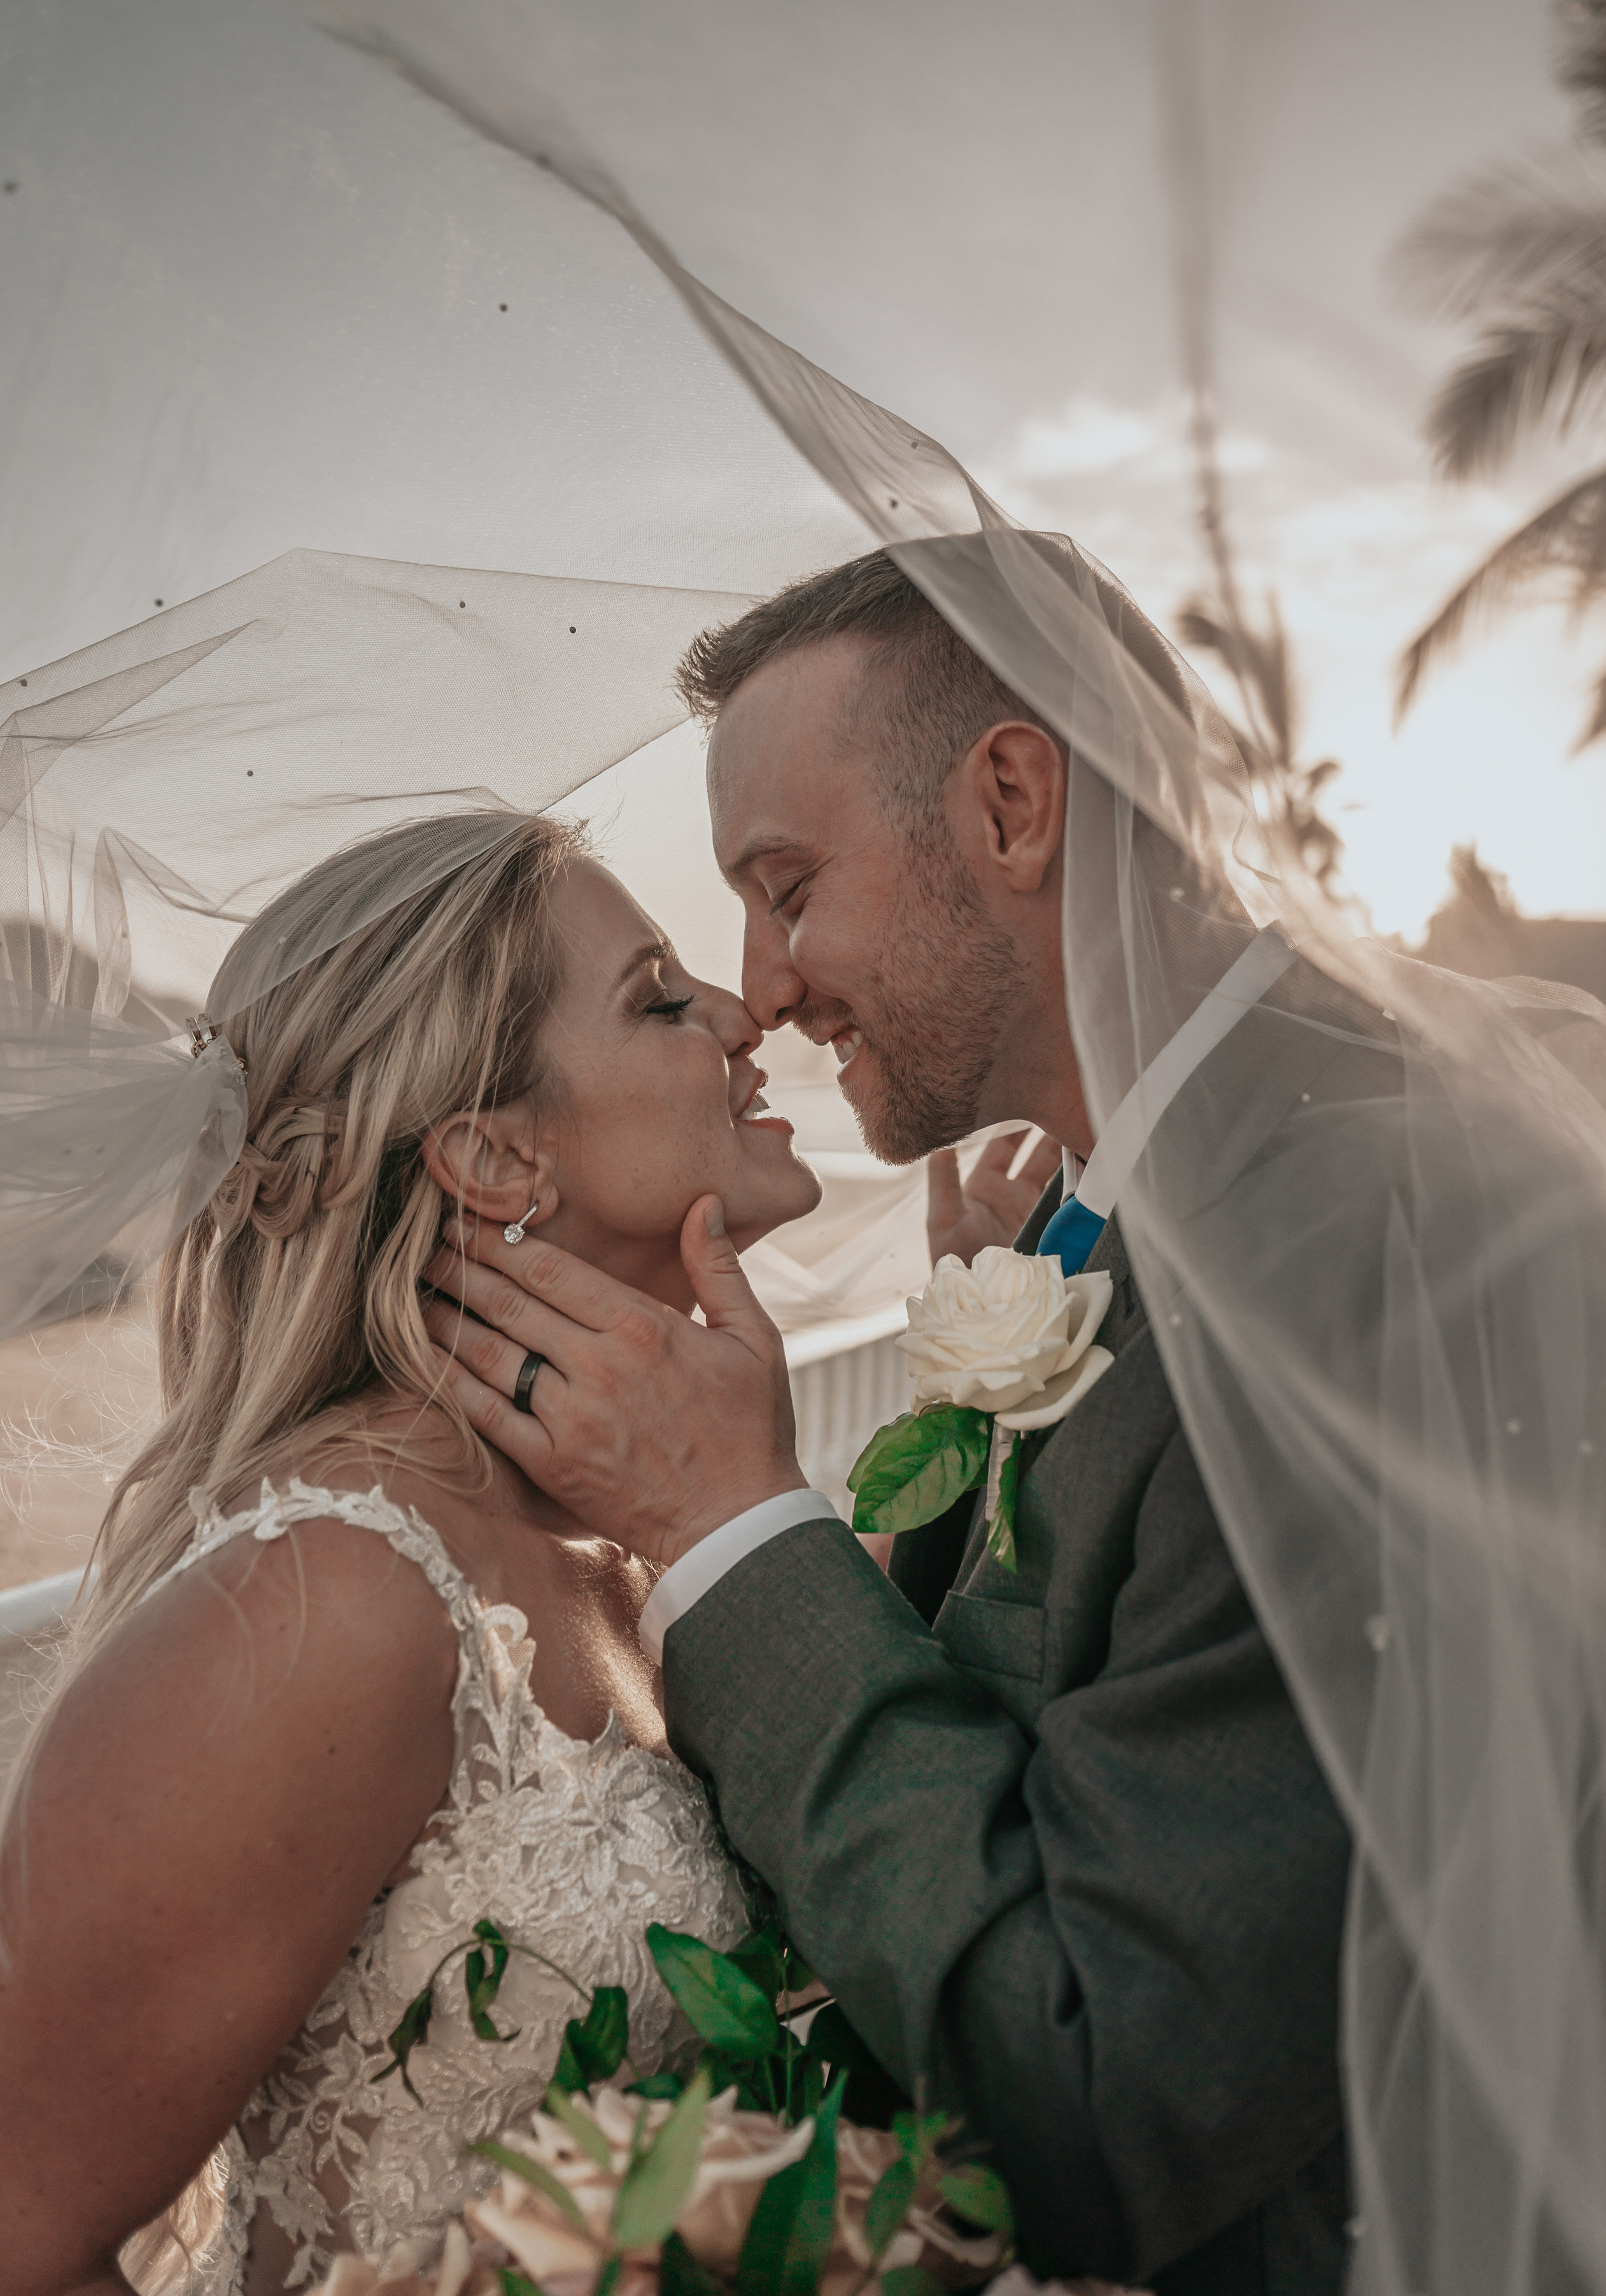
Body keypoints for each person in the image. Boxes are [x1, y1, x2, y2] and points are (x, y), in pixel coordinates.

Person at [425, 548, 1369, 2293]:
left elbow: (1106, 2085)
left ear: (1013, 802)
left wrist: (733, 1523)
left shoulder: (1334, 1261)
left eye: (784, 887)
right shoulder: (1144, 1207)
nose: (758, 988)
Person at [0, 808, 824, 2296]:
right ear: (493, 1158)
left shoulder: (629, 1528)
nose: (740, 1009)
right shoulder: (328, 1601)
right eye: (657, 997)